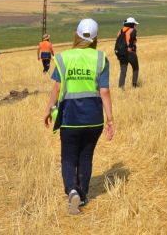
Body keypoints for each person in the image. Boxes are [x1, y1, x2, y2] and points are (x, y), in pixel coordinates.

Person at [43, 18, 114, 215]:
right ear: (95, 38)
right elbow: (105, 91)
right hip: (93, 120)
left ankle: (72, 190)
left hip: (70, 118)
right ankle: (82, 196)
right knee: (86, 157)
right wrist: (110, 120)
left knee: (68, 157)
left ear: (76, 34)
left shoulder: (64, 58)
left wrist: (48, 109)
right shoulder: (100, 58)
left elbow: (57, 87)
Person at [116, 17, 139, 89]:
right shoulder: (133, 30)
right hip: (130, 53)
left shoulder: (120, 31)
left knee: (123, 70)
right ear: (132, 24)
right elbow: (132, 41)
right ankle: (134, 86)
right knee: (135, 68)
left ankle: (121, 87)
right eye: (135, 24)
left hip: (121, 53)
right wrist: (131, 48)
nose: (136, 25)